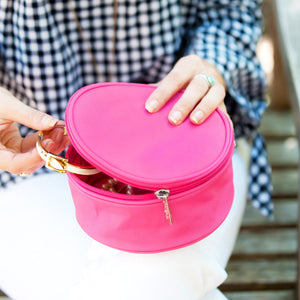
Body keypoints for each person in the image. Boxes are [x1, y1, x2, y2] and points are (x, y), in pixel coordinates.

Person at [0, 0, 272, 299]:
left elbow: (231, 14)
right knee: (162, 282)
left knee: (149, 281)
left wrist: (211, 64)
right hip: (30, 164)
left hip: (191, 152)